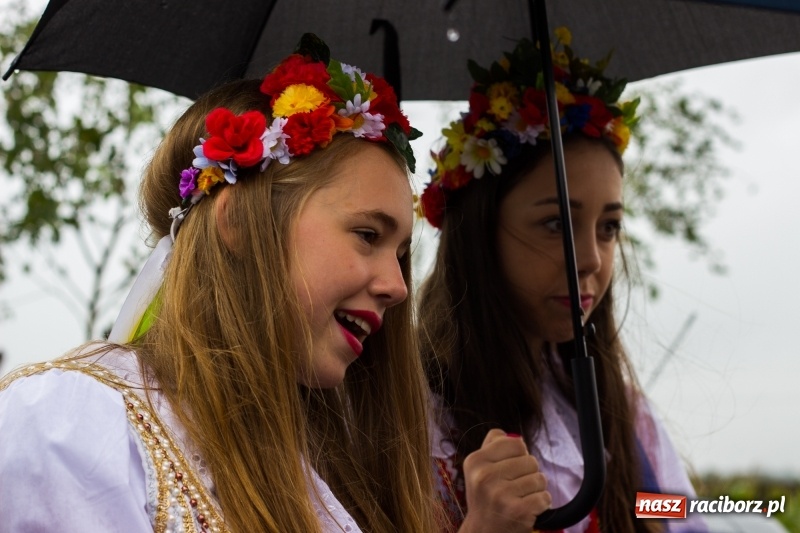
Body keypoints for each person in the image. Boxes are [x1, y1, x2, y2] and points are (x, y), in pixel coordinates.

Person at [0, 34, 440, 532]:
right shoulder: (80, 429)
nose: (398, 286)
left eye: (402, 256)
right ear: (240, 225)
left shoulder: (323, 475)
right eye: (367, 235)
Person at [418, 29, 708, 533]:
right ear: (479, 234)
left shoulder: (621, 415)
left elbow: (674, 513)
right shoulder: (411, 418)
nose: (592, 259)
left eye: (609, 226)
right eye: (556, 224)